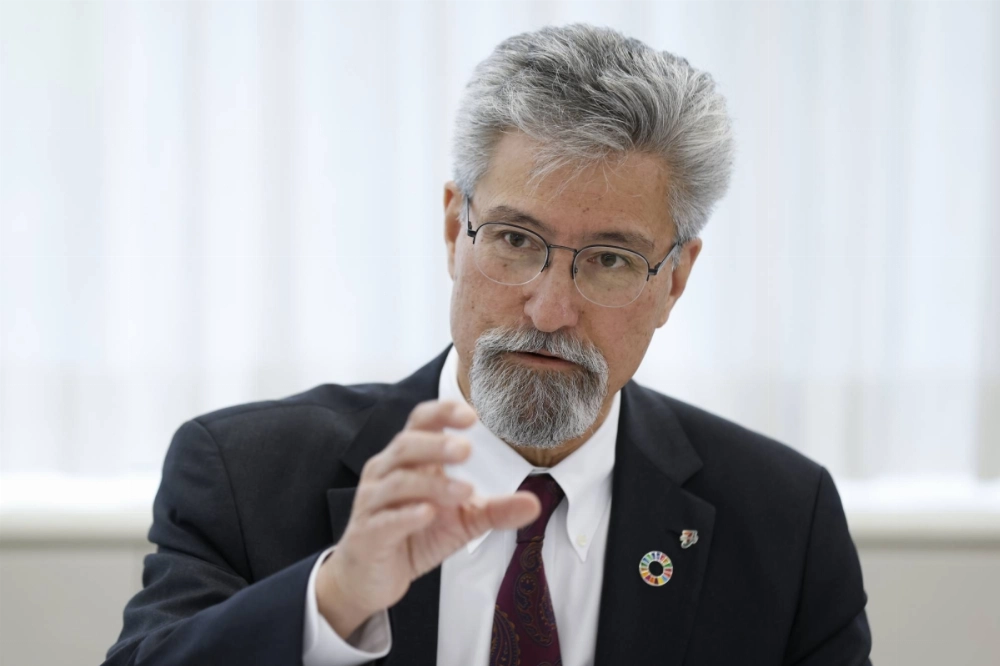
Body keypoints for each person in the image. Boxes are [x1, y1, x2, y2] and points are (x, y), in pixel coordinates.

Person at [105, 24, 871, 666]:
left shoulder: (781, 520)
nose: (549, 308)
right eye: (514, 239)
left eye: (610, 259)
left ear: (675, 279)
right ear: (452, 230)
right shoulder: (243, 476)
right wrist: (334, 600)